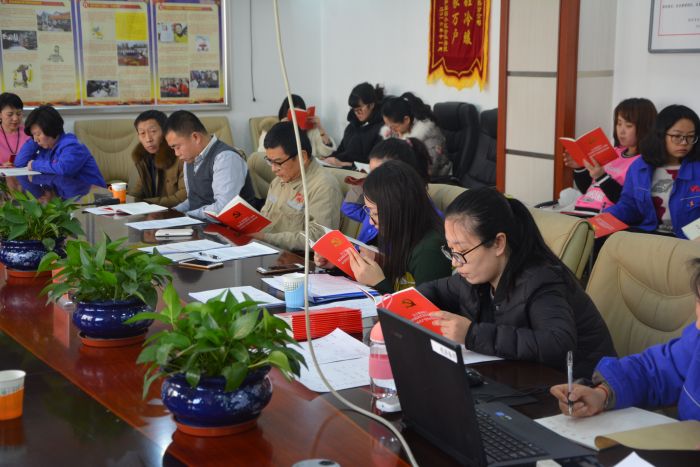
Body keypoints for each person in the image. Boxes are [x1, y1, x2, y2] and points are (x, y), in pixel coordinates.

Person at [419, 187, 616, 377]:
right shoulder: (475, 275)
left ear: (498, 243)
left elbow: (558, 343)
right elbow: (434, 290)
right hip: (523, 378)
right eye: (451, 250)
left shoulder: (541, 280)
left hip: (580, 387)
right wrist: (406, 305)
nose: (455, 262)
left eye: (462, 251)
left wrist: (472, 335)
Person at [551, 258, 700, 421]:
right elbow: (653, 373)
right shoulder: (696, 343)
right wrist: (602, 394)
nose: (698, 323)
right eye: (699, 302)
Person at [333, 160, 451, 294]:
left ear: (399, 210)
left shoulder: (429, 251)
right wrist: (338, 265)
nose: (371, 221)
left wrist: (378, 284)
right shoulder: (399, 232)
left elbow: (424, 307)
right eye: (369, 211)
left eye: (375, 213)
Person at [605, 104, 700, 238]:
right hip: (649, 235)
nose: (684, 142)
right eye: (677, 136)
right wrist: (604, 219)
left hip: (687, 240)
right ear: (660, 135)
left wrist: (693, 236)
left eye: (690, 136)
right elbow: (629, 206)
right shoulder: (640, 167)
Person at [249, 121, 342, 251]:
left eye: (278, 162)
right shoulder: (279, 180)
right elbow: (265, 217)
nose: (273, 169)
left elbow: (319, 237)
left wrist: (266, 238)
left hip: (295, 258)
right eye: (270, 161)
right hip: (265, 248)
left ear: (302, 157)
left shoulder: (323, 186)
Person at [564, 98, 657, 214]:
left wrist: (601, 177)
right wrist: (580, 168)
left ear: (645, 127)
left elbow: (628, 203)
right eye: (619, 123)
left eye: (628, 125)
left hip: (604, 216)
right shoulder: (614, 151)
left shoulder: (643, 163)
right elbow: (589, 190)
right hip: (580, 210)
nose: (621, 131)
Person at [164, 110, 254, 220]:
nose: (176, 153)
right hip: (201, 224)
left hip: (231, 227)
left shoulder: (225, 158)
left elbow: (223, 208)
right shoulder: (190, 159)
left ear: (195, 137)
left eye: (177, 147)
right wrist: (172, 212)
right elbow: (194, 200)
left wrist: (186, 216)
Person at [340, 137, 431, 245]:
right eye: (371, 173)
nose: (371, 221)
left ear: (404, 173)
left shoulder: (420, 215)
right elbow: (348, 208)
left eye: (378, 173)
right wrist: (367, 184)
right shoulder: (375, 207)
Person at [14, 105, 105, 187]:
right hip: (69, 195)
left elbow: (64, 169)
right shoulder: (46, 147)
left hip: (93, 195)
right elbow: (19, 163)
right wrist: (35, 139)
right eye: (33, 135)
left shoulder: (73, 146)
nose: (35, 139)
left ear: (51, 129)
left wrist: (34, 164)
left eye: (38, 134)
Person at [380, 93, 449, 178]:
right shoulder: (396, 131)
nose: (391, 130)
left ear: (406, 120)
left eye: (394, 127)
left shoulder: (430, 133)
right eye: (388, 126)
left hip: (435, 180)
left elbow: (430, 169)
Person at [129, 110, 186, 208]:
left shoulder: (181, 156)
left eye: (153, 131)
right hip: (152, 212)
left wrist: (145, 204)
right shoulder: (143, 158)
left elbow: (183, 198)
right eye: (142, 133)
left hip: (175, 213)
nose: (148, 139)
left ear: (165, 131)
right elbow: (136, 193)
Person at [324, 82, 384, 167]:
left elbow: (375, 165)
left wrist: (343, 164)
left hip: (361, 173)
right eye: (354, 109)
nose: (356, 113)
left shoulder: (382, 129)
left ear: (371, 105)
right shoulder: (352, 126)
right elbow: (341, 150)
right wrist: (327, 160)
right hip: (343, 169)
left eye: (359, 109)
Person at [257, 94, 336, 158]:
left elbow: (327, 152)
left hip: (308, 168)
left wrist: (320, 128)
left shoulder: (311, 131)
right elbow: (262, 155)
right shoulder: (270, 129)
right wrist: (280, 129)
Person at [0, 92, 30, 166]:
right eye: (10, 114)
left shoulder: (30, 133)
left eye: (19, 114)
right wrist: (2, 166)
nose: (15, 118)